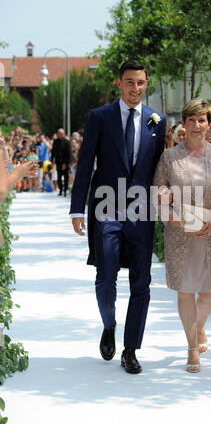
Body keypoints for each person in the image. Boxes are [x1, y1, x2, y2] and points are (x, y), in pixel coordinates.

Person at [70, 60, 166, 374]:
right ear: (119, 84)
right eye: (129, 82)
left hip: (141, 212)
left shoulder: (157, 120)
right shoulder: (100, 117)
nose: (135, 88)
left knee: (142, 283)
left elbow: (157, 169)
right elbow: (85, 164)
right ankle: (109, 324)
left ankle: (131, 349)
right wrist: (76, 207)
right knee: (105, 275)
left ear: (146, 83)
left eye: (140, 82)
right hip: (105, 207)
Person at [153, 98, 211, 373]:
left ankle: (199, 327)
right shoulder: (169, 157)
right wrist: (171, 214)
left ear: (208, 124)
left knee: (209, 292)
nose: (197, 125)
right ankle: (192, 348)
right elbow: (159, 190)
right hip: (181, 232)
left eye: (202, 120)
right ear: (184, 124)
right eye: (192, 120)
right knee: (186, 291)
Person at [51, 128, 71, 196]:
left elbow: (69, 153)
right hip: (58, 162)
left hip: (65, 162)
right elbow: (53, 152)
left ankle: (65, 190)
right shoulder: (55, 141)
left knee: (66, 177)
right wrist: (52, 161)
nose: (60, 135)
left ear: (63, 134)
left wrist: (65, 163)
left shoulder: (67, 142)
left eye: (61, 133)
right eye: (59, 133)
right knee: (59, 177)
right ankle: (60, 190)